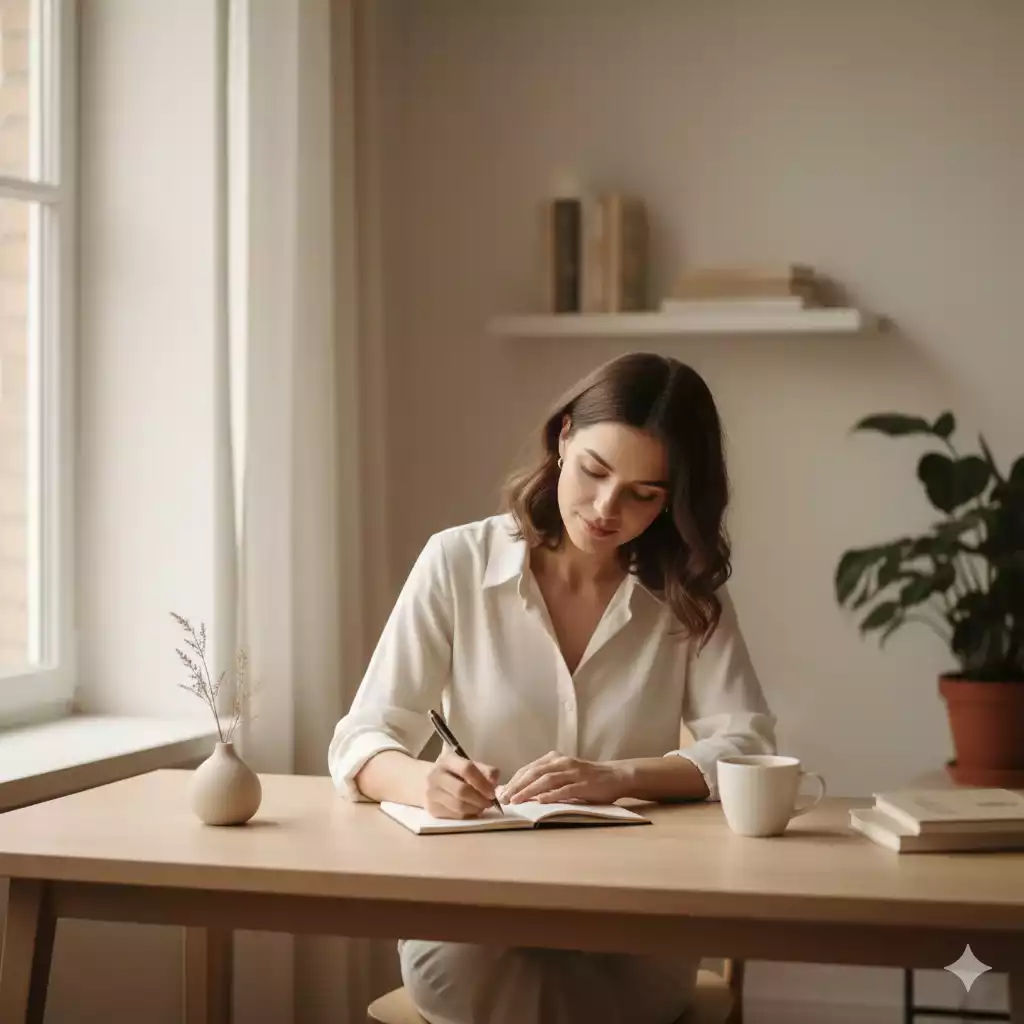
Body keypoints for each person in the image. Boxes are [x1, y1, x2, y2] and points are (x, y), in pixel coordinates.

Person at [328, 352, 776, 1024]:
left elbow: (748, 744)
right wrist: (426, 783)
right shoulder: (456, 563)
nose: (605, 509)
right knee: (519, 981)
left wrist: (618, 777)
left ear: (675, 497)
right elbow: (362, 739)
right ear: (563, 438)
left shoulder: (686, 597)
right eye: (595, 471)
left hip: (636, 919)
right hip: (473, 918)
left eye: (643, 494)